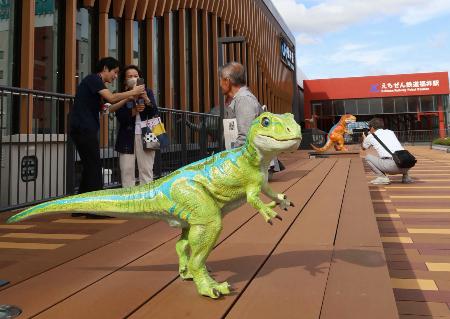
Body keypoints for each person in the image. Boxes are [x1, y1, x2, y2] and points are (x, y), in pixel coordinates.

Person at [70, 57, 145, 217]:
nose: (116, 76)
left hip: (83, 129)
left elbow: (108, 109)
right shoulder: (93, 79)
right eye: (115, 72)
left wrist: (126, 98)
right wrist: (133, 92)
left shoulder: (95, 86)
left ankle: (78, 208)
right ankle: (96, 210)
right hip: (83, 128)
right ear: (105, 68)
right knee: (94, 167)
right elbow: (111, 98)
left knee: (89, 166)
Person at [115, 65, 159, 187]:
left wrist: (145, 97)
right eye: (130, 76)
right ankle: (129, 201)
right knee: (126, 171)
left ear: (140, 79)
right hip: (126, 136)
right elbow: (121, 117)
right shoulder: (121, 95)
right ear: (124, 80)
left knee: (146, 170)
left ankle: (146, 201)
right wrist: (135, 110)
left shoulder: (148, 92)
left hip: (148, 133)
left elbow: (155, 112)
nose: (133, 78)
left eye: (136, 76)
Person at [219, 62, 263, 148]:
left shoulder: (244, 100)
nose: (220, 84)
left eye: (220, 80)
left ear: (227, 81)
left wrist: (229, 158)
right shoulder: (241, 99)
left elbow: (244, 139)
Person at [361, 118, 413, 185]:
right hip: (407, 165)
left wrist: (364, 138)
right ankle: (406, 177)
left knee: (368, 157)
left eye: (369, 128)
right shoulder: (390, 132)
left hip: (392, 167)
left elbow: (363, 148)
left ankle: (382, 177)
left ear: (372, 128)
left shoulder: (370, 136)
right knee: (400, 153)